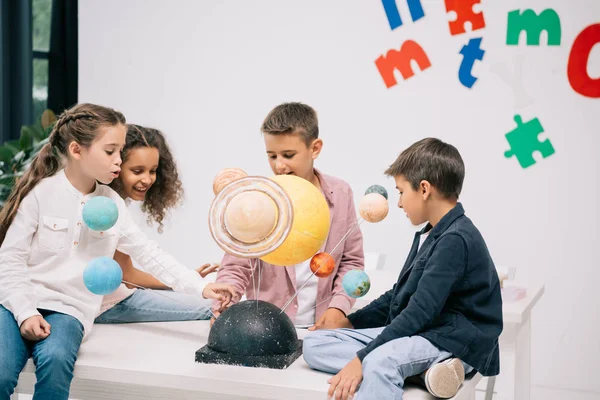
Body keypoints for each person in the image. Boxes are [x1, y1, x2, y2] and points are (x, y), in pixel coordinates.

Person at [0, 104, 235, 400]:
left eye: (120, 152)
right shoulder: (41, 194)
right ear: (77, 150)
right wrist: (25, 313)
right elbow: (9, 261)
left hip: (70, 309)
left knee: (57, 360)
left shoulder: (112, 203)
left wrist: (202, 286)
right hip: (15, 303)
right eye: (110, 151)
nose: (118, 160)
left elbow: (149, 253)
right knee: (1, 371)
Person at [302, 138, 503, 399]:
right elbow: (399, 295)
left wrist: (361, 358)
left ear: (424, 189)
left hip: (451, 340)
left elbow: (420, 311)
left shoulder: (455, 239)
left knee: (378, 362)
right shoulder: (432, 233)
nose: (398, 203)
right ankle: (424, 373)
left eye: (400, 192)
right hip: (425, 333)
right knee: (315, 345)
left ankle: (419, 367)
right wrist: (350, 322)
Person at [213, 102, 364, 330]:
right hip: (266, 327)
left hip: (321, 328)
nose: (279, 165)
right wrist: (224, 300)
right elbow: (237, 266)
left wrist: (338, 308)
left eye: (288, 155)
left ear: (315, 149)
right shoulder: (257, 200)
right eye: (272, 156)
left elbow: (351, 261)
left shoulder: (340, 193)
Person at [95, 124, 219, 324]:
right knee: (214, 306)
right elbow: (128, 276)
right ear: (116, 166)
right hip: (109, 305)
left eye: (152, 171)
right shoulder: (108, 209)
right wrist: (183, 283)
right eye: (137, 171)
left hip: (116, 297)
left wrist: (186, 280)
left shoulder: (113, 202)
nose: (147, 179)